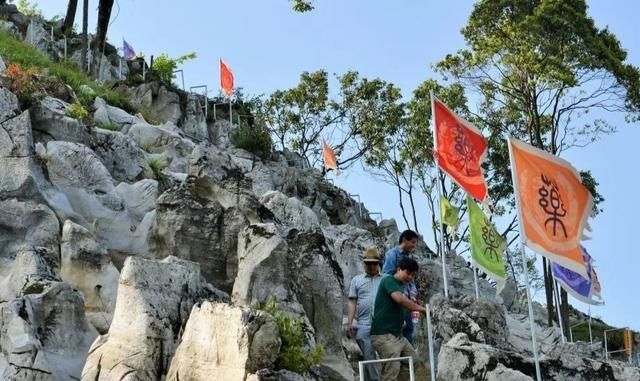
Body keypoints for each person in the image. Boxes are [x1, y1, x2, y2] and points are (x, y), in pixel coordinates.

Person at [370, 257, 426, 381]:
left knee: (413, 361)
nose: (410, 277)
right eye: (408, 273)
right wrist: (422, 309)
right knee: (391, 372)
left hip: (398, 336)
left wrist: (402, 320)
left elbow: (398, 305)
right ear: (399, 269)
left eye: (413, 275)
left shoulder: (400, 287)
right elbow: (399, 300)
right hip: (384, 336)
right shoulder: (388, 280)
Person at [347, 248, 383, 381]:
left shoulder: (386, 279)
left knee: (388, 355)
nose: (371, 266)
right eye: (368, 263)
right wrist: (350, 323)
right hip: (363, 324)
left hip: (383, 325)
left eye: (374, 263)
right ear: (363, 263)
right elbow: (352, 301)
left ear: (378, 262)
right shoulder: (356, 280)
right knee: (368, 357)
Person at [382, 230, 419, 343]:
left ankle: (408, 359)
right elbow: (386, 275)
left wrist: (413, 294)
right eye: (412, 242)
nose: (414, 245)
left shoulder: (409, 257)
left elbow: (411, 281)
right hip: (397, 297)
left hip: (407, 298)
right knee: (399, 329)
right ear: (404, 240)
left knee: (409, 328)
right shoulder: (392, 254)